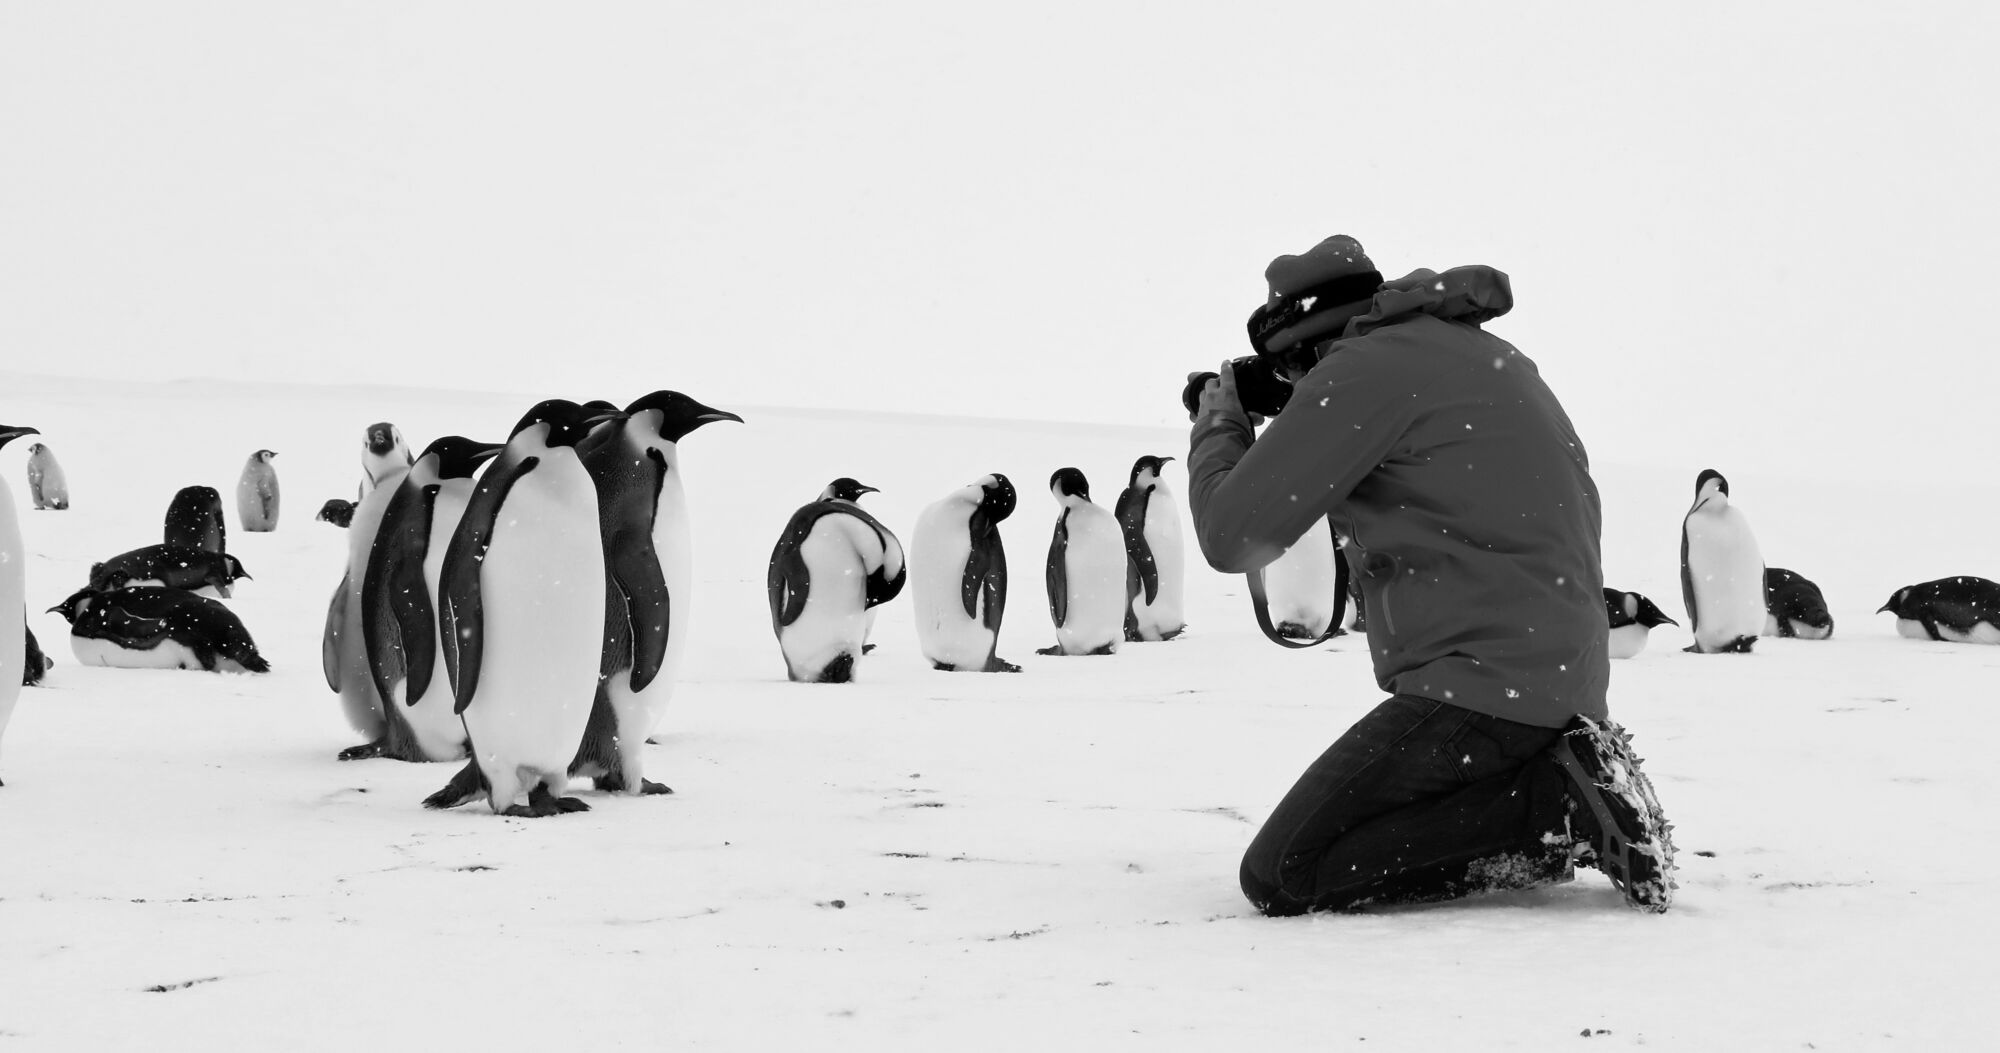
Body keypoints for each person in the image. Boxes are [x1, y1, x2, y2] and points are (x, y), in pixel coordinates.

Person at [1186, 235, 1676, 914]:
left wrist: (1218, 426)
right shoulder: (1472, 353)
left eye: (1296, 371)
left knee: (1285, 870)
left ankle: (1556, 810)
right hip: (1557, 675)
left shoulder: (1363, 371)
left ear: (1305, 345)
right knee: (1353, 834)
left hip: (1483, 687)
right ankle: (1561, 788)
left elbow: (1229, 535)